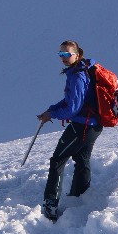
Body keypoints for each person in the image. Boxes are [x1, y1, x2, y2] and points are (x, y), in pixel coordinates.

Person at [37, 40, 103, 221]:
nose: (63, 58)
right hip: (92, 125)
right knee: (82, 159)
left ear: (77, 54)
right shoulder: (79, 71)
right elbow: (70, 100)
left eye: (67, 54)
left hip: (82, 126)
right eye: (60, 54)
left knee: (58, 159)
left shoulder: (78, 76)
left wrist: (53, 114)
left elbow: (73, 108)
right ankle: (79, 197)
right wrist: (51, 110)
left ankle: (50, 205)